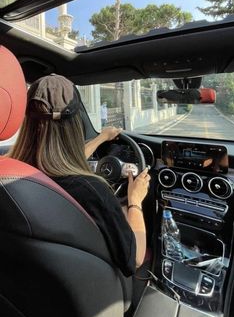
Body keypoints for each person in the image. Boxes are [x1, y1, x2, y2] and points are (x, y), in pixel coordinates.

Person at [9, 74, 150, 276]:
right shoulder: (91, 190)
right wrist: (135, 201)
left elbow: (61, 159)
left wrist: (102, 138)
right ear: (76, 125)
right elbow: (135, 258)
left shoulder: (10, 172)